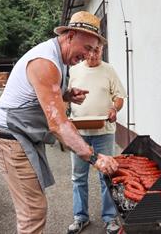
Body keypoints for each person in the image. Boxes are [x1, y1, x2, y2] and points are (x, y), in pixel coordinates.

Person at [0, 11, 119, 234]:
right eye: (86, 48)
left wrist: (66, 95)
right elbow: (58, 124)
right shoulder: (45, 62)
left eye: (93, 50)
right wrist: (95, 158)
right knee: (33, 211)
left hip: (23, 137)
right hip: (12, 140)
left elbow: (40, 95)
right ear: (70, 36)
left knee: (34, 208)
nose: (88, 55)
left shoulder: (61, 59)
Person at [67, 44, 126, 234]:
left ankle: (110, 219)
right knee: (78, 177)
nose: (93, 55)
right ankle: (80, 217)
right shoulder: (74, 70)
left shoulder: (109, 70)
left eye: (97, 51)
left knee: (107, 175)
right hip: (79, 134)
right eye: (89, 51)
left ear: (102, 50)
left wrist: (114, 109)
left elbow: (119, 97)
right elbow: (66, 97)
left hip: (104, 132)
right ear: (84, 52)